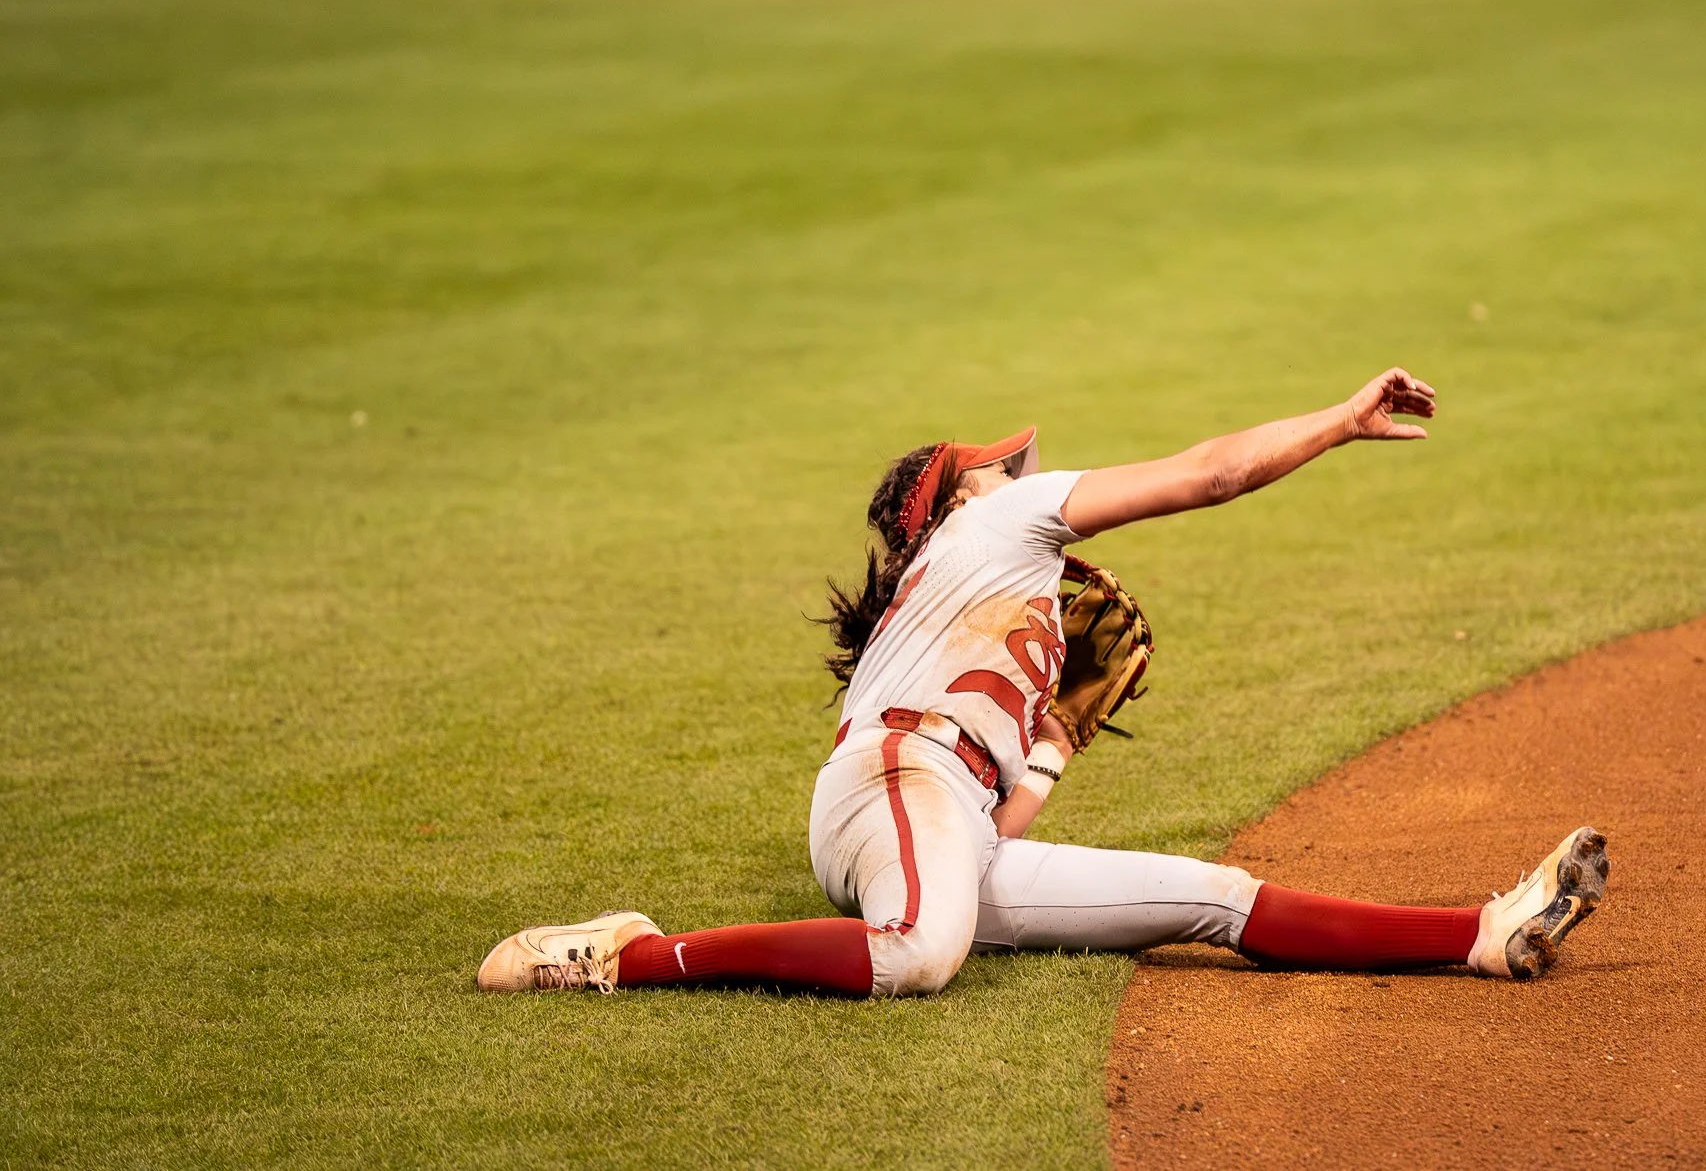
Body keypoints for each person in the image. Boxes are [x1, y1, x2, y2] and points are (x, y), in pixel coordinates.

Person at [477, 369, 1609, 997]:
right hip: (891, 781)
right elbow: (1208, 476)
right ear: (959, 501)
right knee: (921, 955)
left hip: (931, 808)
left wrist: (1057, 735)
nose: (1023, 472)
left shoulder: (984, 630)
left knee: (1207, 896)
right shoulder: (995, 529)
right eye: (999, 468)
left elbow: (996, 819)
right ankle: (621, 955)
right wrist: (1335, 421)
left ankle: (1477, 931)